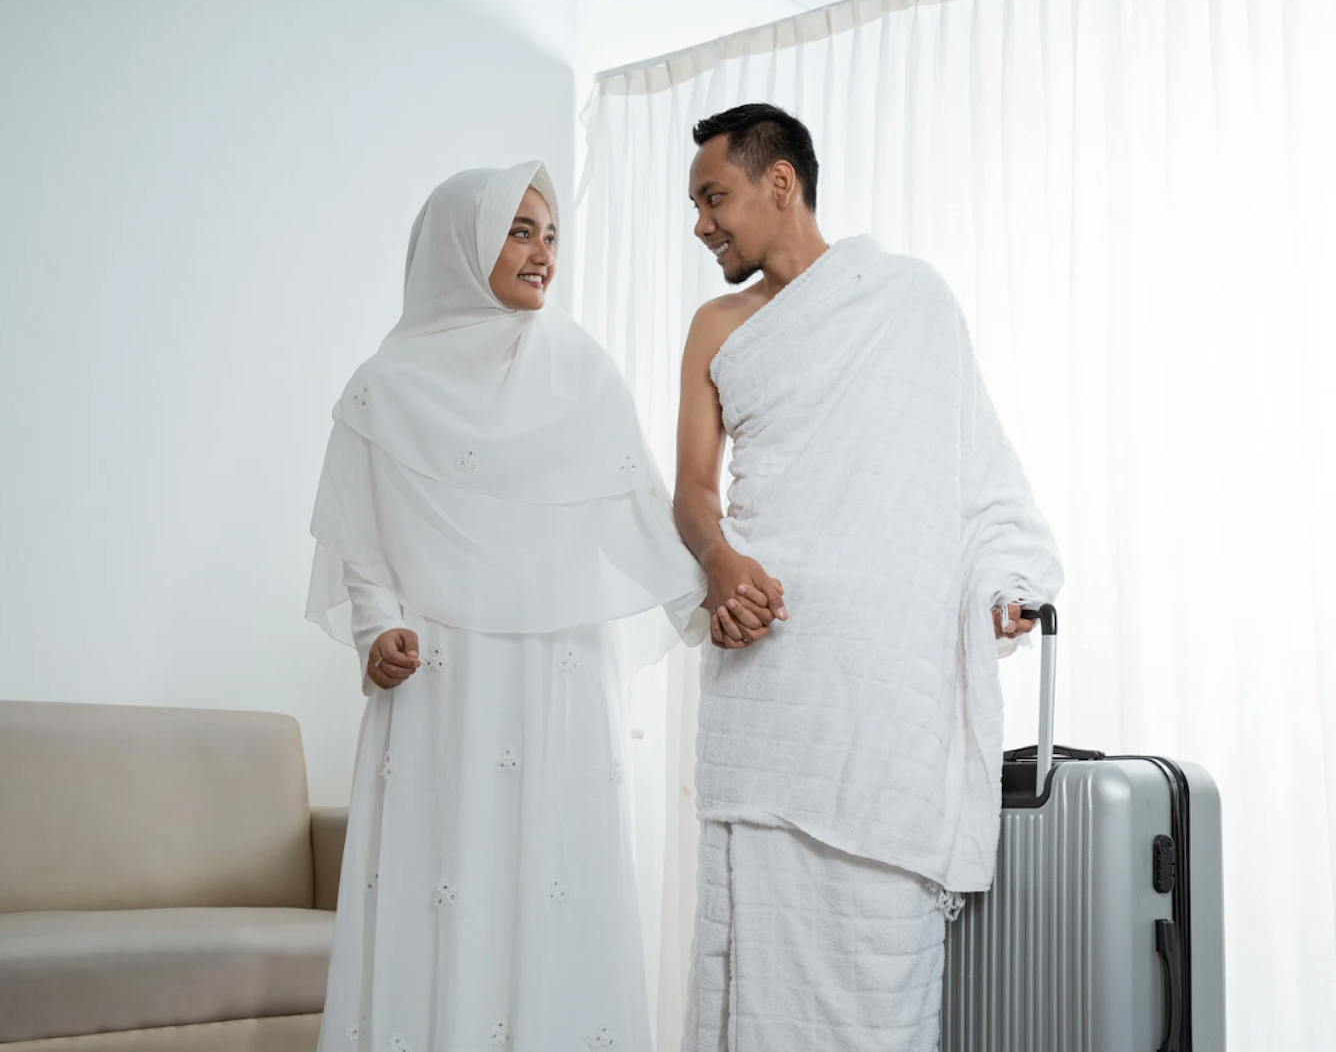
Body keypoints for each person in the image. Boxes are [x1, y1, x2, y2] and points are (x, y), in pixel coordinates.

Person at [674, 105, 1064, 1051]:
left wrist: (1000, 586)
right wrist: (721, 568)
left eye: (712, 197)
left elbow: (974, 476)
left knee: (879, 984)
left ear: (780, 183)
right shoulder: (717, 327)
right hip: (769, 691)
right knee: (751, 982)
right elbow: (691, 491)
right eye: (694, 205)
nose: (701, 225)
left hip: (885, 712)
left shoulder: (910, 300)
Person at [305, 160, 706, 1052]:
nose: (542, 254)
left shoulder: (582, 372)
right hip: (441, 686)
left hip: (556, 680)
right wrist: (378, 634)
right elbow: (358, 538)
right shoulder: (385, 386)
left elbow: (638, 517)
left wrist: (718, 596)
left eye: (551, 234)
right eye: (519, 232)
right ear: (462, 246)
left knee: (551, 891)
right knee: (445, 892)